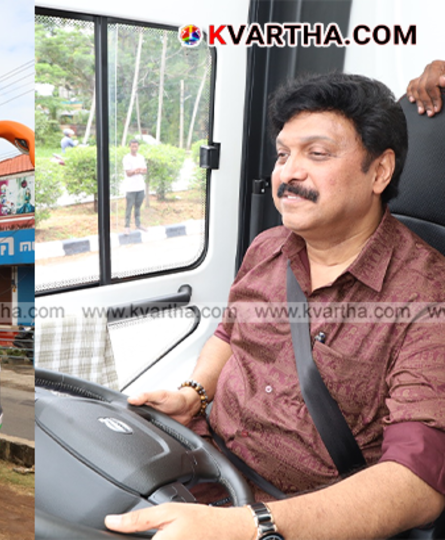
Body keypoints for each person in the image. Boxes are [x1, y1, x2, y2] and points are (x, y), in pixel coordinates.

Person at [105, 72, 445, 539]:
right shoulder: (267, 248)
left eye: (317, 154)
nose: (288, 173)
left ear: (380, 172)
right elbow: (229, 335)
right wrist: (193, 396)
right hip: (200, 467)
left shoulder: (427, 295)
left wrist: (249, 526)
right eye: (284, 154)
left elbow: (416, 480)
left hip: (296, 516)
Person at [122, 139, 148, 232]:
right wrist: (135, 171)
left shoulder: (141, 157)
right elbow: (128, 173)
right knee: (129, 207)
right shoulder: (126, 158)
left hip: (140, 187)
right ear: (130, 147)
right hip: (130, 187)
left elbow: (145, 170)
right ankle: (127, 226)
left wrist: (140, 170)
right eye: (132, 146)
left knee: (138, 207)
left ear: (138, 147)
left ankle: (138, 224)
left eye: (136, 146)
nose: (134, 148)